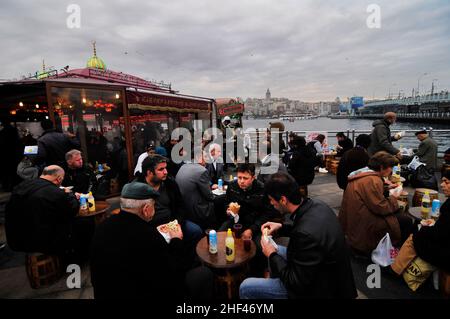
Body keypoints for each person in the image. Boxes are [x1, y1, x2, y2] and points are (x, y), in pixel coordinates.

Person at [239, 173, 356, 299]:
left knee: (246, 286)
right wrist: (281, 227)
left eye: (272, 200)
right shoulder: (316, 205)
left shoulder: (305, 235)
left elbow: (295, 282)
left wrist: (272, 255)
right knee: (275, 250)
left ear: (283, 200)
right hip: (329, 271)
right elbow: (303, 227)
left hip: (321, 287)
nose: (271, 203)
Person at [90, 182, 214, 299]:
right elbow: (173, 272)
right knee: (203, 274)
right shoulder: (148, 236)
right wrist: (176, 239)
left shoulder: (102, 227)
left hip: (105, 292)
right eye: (154, 205)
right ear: (146, 209)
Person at [5, 165, 93, 264]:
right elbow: (72, 210)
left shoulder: (22, 186)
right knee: (85, 223)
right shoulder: (54, 192)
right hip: (41, 241)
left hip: (17, 239)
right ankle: (79, 260)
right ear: (59, 178)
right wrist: (69, 194)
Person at [339, 152, 415, 255]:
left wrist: (386, 188)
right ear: (382, 167)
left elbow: (368, 194)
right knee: (406, 220)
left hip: (355, 218)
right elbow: (381, 207)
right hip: (364, 223)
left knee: (399, 217)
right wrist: (394, 196)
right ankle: (402, 252)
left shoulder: (362, 175)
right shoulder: (372, 180)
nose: (391, 171)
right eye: (390, 167)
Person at [136, 154, 203, 250]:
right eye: (161, 169)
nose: (166, 172)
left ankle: (188, 261)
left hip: (172, 222)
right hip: (150, 227)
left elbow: (180, 206)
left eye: (165, 168)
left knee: (195, 230)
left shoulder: (170, 183)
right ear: (149, 172)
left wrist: (177, 223)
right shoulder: (137, 188)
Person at [391, 170, 450, 275]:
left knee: (415, 235)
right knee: (416, 228)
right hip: (444, 243)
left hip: (445, 252)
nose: (442, 185)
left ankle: (395, 269)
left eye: (447, 182)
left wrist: (424, 228)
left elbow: (439, 234)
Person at [220, 163, 278, 242]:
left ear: (253, 178)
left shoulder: (262, 189)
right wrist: (228, 211)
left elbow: (267, 213)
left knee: (260, 246)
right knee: (220, 235)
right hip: (236, 221)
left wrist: (252, 229)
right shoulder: (232, 186)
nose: (241, 181)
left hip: (256, 223)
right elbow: (227, 203)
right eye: (239, 178)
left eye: (245, 178)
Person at [175, 148, 216, 229]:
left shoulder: (183, 166)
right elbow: (209, 196)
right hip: (197, 209)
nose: (207, 159)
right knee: (218, 202)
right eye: (205, 157)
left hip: (183, 206)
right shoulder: (201, 170)